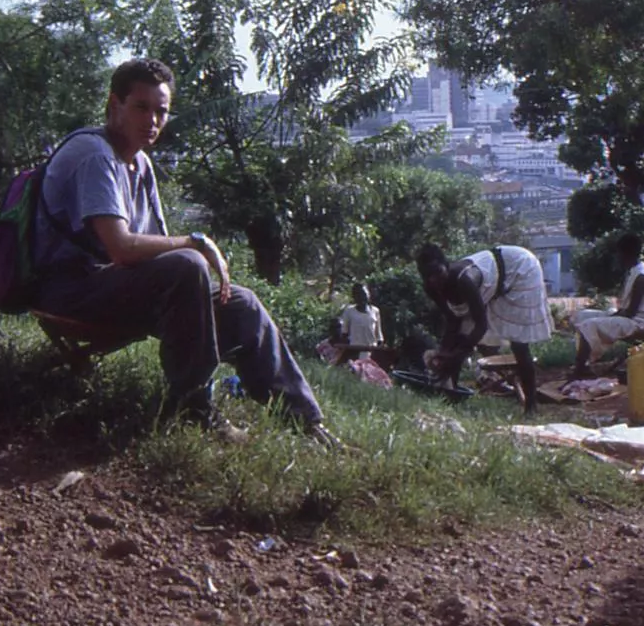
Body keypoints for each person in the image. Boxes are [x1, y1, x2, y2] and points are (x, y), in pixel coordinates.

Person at [31, 58, 333, 444]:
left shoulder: (139, 163)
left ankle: (306, 423)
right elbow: (123, 249)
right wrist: (197, 243)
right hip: (70, 290)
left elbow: (155, 252)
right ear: (114, 105)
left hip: (112, 286)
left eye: (161, 111)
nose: (152, 121)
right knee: (189, 263)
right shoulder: (95, 156)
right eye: (141, 107)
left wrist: (197, 266)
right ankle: (193, 405)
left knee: (242, 303)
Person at [417, 242, 554, 415]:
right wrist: (444, 353)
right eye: (428, 276)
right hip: (497, 279)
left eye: (438, 273)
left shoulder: (464, 280)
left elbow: (481, 326)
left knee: (519, 343)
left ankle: (531, 407)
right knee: (456, 342)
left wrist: (456, 355)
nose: (434, 280)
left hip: (519, 268)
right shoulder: (431, 288)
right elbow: (452, 320)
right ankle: (450, 399)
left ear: (446, 266)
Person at [570, 234, 644, 378]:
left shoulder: (642, 277)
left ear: (624, 254)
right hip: (632, 318)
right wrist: (612, 315)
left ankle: (581, 368)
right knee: (582, 315)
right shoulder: (634, 272)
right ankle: (587, 363)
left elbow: (631, 312)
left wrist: (612, 316)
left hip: (642, 323)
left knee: (589, 325)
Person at [336, 282, 386, 361]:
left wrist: (379, 350)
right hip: (355, 351)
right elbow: (344, 333)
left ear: (368, 295)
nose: (362, 297)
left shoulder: (375, 311)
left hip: (371, 351)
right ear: (354, 297)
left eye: (364, 294)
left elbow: (379, 334)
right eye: (358, 295)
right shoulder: (349, 311)